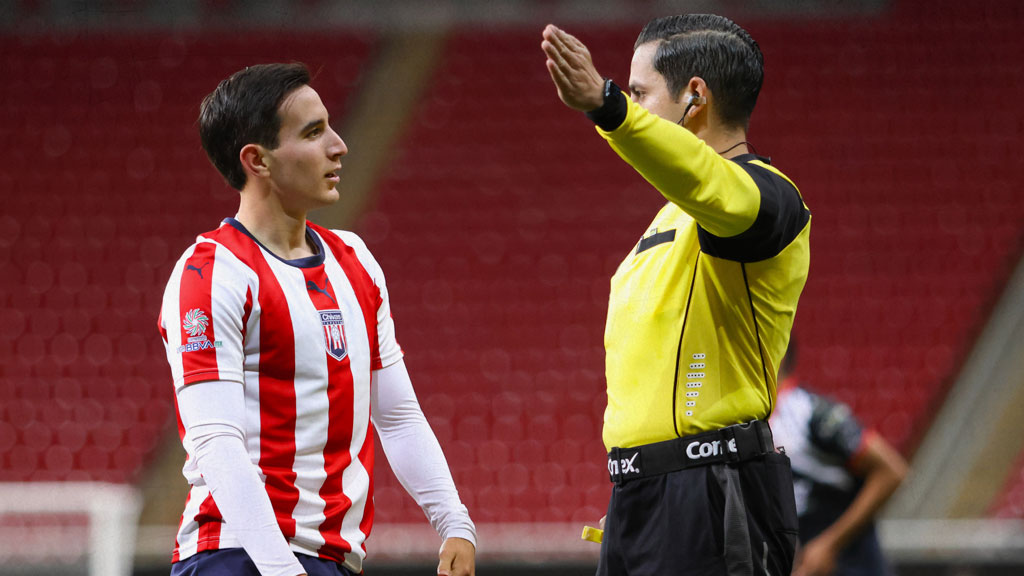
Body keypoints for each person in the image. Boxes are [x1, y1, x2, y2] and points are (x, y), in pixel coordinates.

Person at [158, 63, 476, 576]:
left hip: (333, 558)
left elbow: (395, 415)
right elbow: (215, 441)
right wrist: (280, 569)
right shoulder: (211, 273)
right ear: (257, 161)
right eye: (313, 132)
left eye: (329, 125)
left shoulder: (355, 260)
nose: (339, 145)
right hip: (240, 557)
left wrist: (453, 520)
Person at [541, 14, 811, 576]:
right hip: (637, 497)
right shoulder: (671, 217)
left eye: (639, 93)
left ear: (695, 97)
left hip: (715, 492)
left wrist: (607, 107)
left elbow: (711, 184)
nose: (631, 105)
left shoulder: (768, 198)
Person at [771, 340, 908, 576]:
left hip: (855, 566)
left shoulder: (810, 411)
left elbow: (892, 471)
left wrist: (829, 544)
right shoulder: (751, 422)